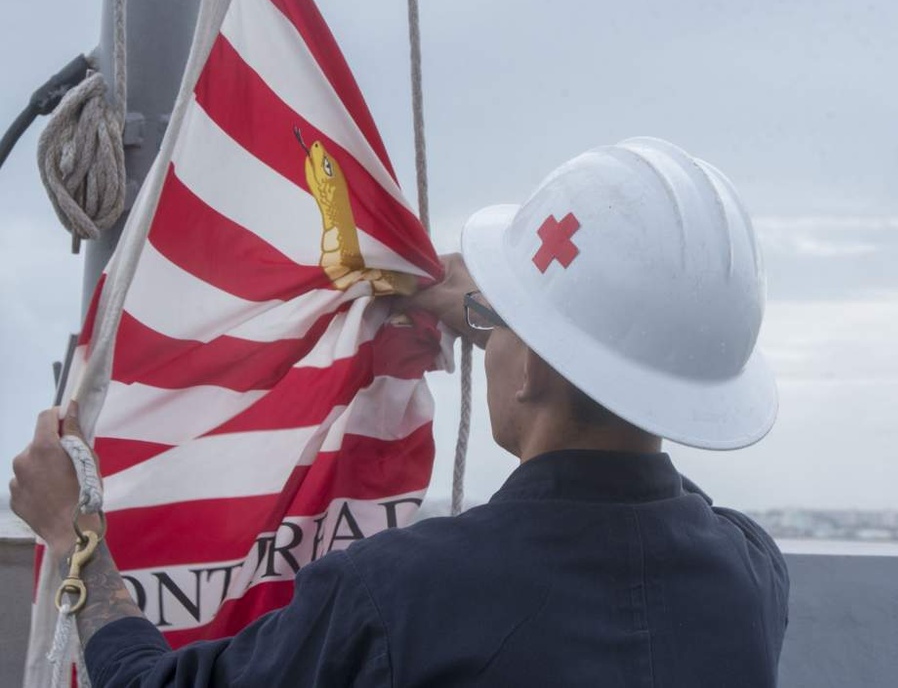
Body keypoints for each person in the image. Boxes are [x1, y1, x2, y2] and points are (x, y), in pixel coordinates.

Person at [11, 137, 788, 687]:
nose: (483, 342)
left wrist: (78, 537)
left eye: (497, 326)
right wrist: (483, 306)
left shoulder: (398, 596)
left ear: (535, 372)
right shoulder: (749, 576)